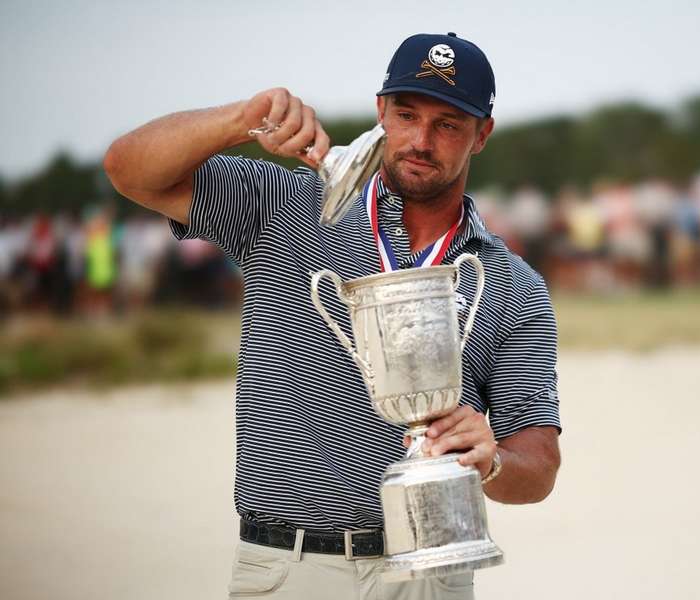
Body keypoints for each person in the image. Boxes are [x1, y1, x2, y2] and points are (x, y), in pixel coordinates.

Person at [104, 32, 561, 600]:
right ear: (380, 111)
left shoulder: (511, 282)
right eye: (407, 113)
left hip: (432, 574)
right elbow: (128, 169)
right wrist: (240, 121)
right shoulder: (285, 204)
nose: (421, 140)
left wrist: (492, 461)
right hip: (289, 567)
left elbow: (539, 468)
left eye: (448, 124)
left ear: (482, 135)